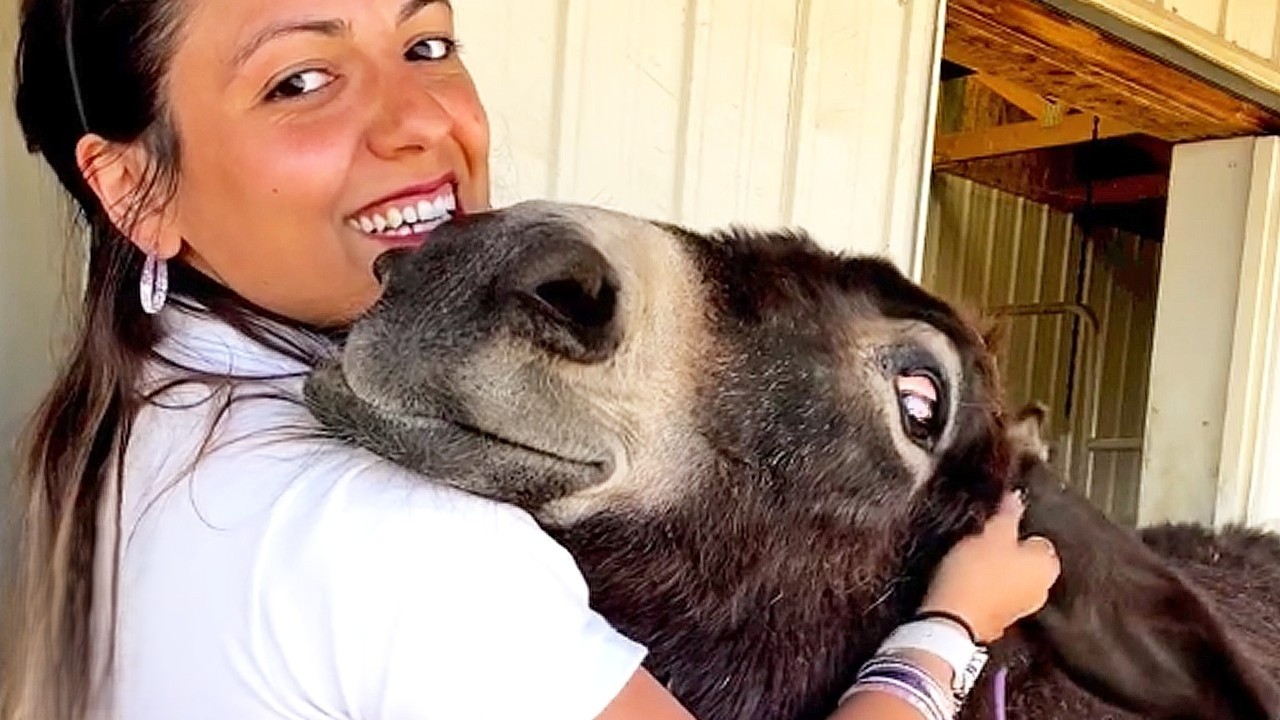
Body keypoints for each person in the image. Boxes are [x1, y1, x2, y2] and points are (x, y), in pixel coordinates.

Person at [1, 0, 1062, 719]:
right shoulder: (395, 539)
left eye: (425, 46)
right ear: (134, 187)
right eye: (301, 79)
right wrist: (949, 626)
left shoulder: (129, 413)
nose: (423, 122)